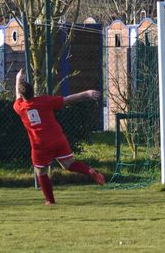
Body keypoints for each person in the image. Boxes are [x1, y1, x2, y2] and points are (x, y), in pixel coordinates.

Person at [13, 68, 106, 205]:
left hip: (40, 145)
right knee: (69, 164)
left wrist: (18, 79)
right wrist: (86, 93)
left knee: (40, 171)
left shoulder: (20, 107)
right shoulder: (45, 100)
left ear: (23, 96)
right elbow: (67, 100)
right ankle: (89, 170)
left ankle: (50, 201)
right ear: (34, 92)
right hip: (57, 138)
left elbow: (17, 96)